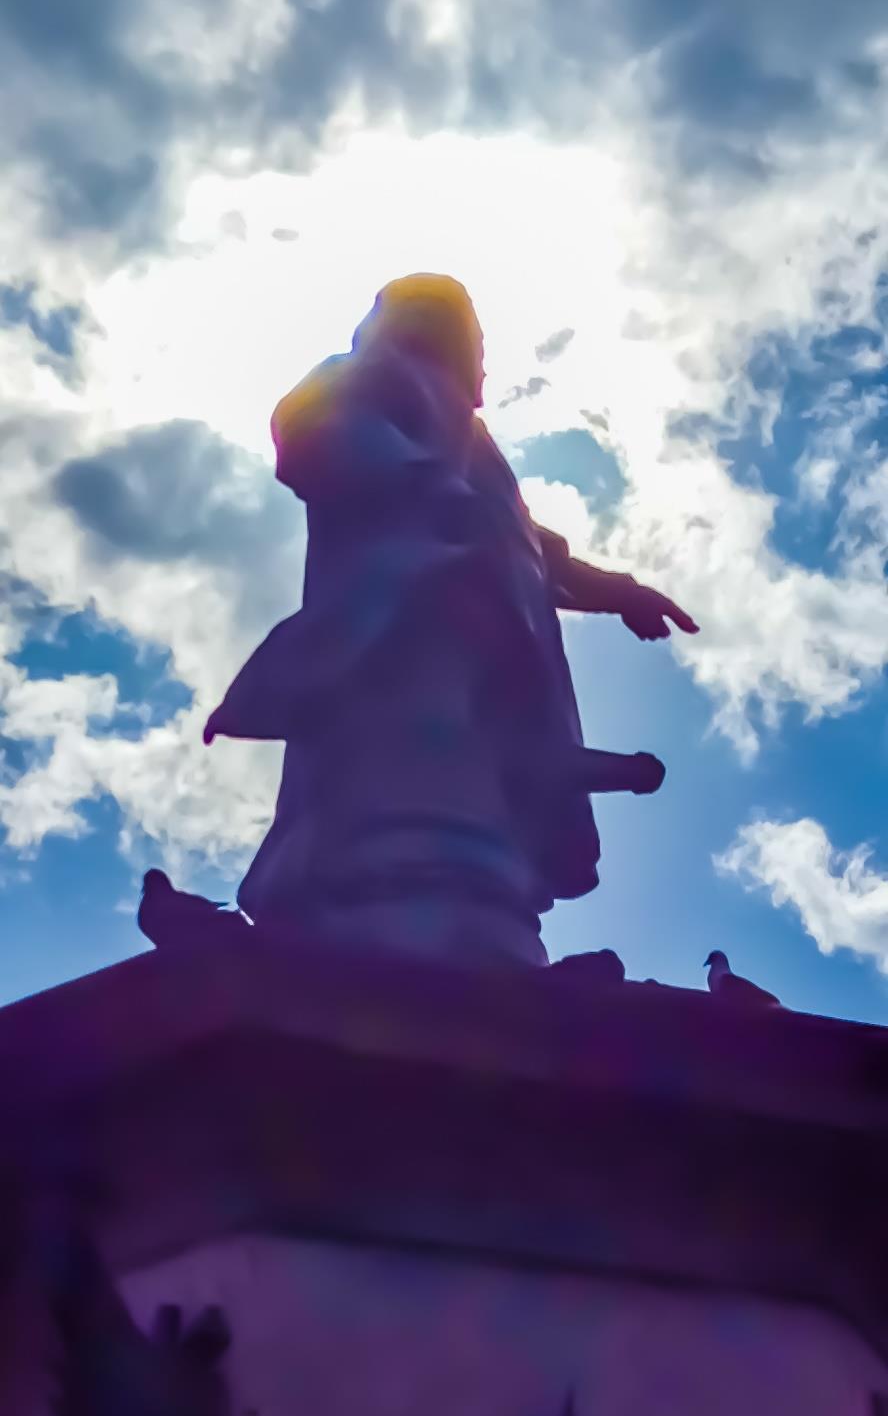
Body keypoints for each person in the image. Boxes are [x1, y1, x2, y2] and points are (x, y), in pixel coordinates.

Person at [203, 274, 698, 968]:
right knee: (399, 781)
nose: (484, 366)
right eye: (479, 344)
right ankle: (380, 905)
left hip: (494, 673)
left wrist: (620, 591)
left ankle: (485, 918)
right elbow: (313, 427)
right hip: (403, 632)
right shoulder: (373, 377)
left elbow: (532, 549)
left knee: (482, 795)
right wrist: (422, 483)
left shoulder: (478, 448)